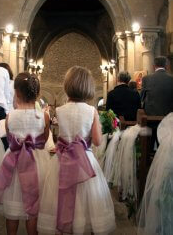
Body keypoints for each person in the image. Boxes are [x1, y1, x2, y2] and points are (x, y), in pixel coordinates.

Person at [37, 66, 116, 235]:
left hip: (62, 160)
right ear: (88, 87)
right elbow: (97, 140)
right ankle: (80, 227)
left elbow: (58, 137)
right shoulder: (91, 111)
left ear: (67, 86)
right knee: (85, 199)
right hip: (85, 161)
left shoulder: (59, 110)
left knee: (62, 195)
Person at [0, 72, 50, 235]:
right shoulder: (44, 116)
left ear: (17, 92)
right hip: (37, 161)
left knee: (12, 207)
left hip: (14, 161)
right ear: (37, 93)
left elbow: (11, 139)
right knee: (33, 206)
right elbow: (44, 139)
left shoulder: (9, 116)